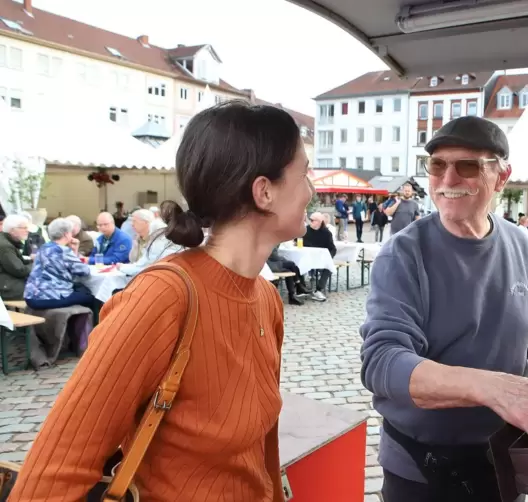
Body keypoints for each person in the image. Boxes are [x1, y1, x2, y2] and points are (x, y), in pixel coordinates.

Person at [8, 102, 313, 501]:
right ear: (264, 191)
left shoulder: (266, 298)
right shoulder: (162, 298)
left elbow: (260, 453)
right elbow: (50, 477)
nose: (312, 190)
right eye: (304, 174)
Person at [360, 116, 528, 501]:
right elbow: (382, 363)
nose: (448, 181)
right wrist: (495, 388)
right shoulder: (404, 253)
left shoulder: (520, 243)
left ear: (502, 176)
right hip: (422, 467)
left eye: (467, 166)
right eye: (437, 166)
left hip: (505, 452)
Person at [23, 218, 95, 310]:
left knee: (79, 288)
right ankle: (91, 323)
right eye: (70, 232)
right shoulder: (63, 251)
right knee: (89, 295)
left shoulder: (44, 248)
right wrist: (74, 250)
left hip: (31, 296)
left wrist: (74, 250)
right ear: (66, 234)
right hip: (47, 298)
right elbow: (84, 271)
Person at [118, 217, 183, 278]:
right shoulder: (172, 243)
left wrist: (122, 267)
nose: (132, 225)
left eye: (135, 221)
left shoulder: (157, 245)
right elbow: (134, 260)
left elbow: (142, 268)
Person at [302, 211, 337, 302]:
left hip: (321, 258)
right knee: (296, 263)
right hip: (307, 257)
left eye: (312, 220)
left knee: (329, 267)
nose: (310, 222)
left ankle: (319, 289)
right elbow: (298, 240)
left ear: (319, 221)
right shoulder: (306, 230)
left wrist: (328, 257)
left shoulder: (326, 233)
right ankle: (301, 287)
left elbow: (333, 248)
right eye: (310, 220)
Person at [0, 214, 33, 300]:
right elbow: (19, 270)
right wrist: (36, 264)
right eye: (24, 228)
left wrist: (31, 260)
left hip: (6, 283)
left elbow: (17, 263)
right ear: (12, 230)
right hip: (6, 287)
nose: (27, 230)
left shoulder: (6, 241)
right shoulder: (5, 246)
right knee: (43, 291)